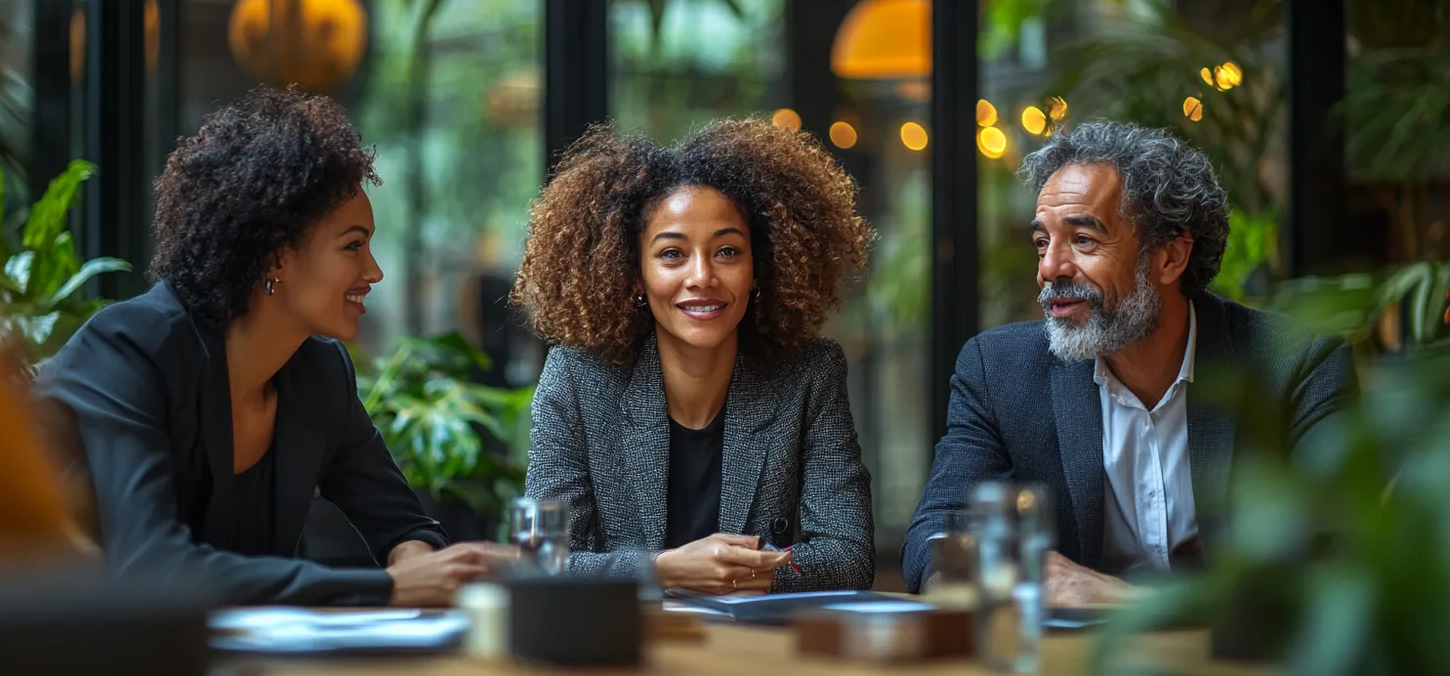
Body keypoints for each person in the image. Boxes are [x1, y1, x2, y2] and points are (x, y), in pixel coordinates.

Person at [35, 86, 511, 606]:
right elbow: (153, 569)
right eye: (353, 245)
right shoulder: (129, 350)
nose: (373, 271)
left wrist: (419, 562)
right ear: (275, 258)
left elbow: (401, 522)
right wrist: (389, 587)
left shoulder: (319, 373)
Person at [903, 121, 1357, 604]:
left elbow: (1336, 566)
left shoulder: (1297, 365)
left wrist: (1132, 605)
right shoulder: (999, 370)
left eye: (1083, 240)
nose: (1049, 268)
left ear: (1170, 258)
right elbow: (933, 539)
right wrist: (1005, 570)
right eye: (1042, 242)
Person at [512, 120, 877, 594]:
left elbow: (849, 556)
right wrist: (662, 570)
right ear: (635, 272)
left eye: (727, 251)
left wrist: (736, 571)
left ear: (759, 267)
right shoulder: (578, 376)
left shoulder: (809, 374)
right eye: (672, 255)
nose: (702, 276)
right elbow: (541, 561)